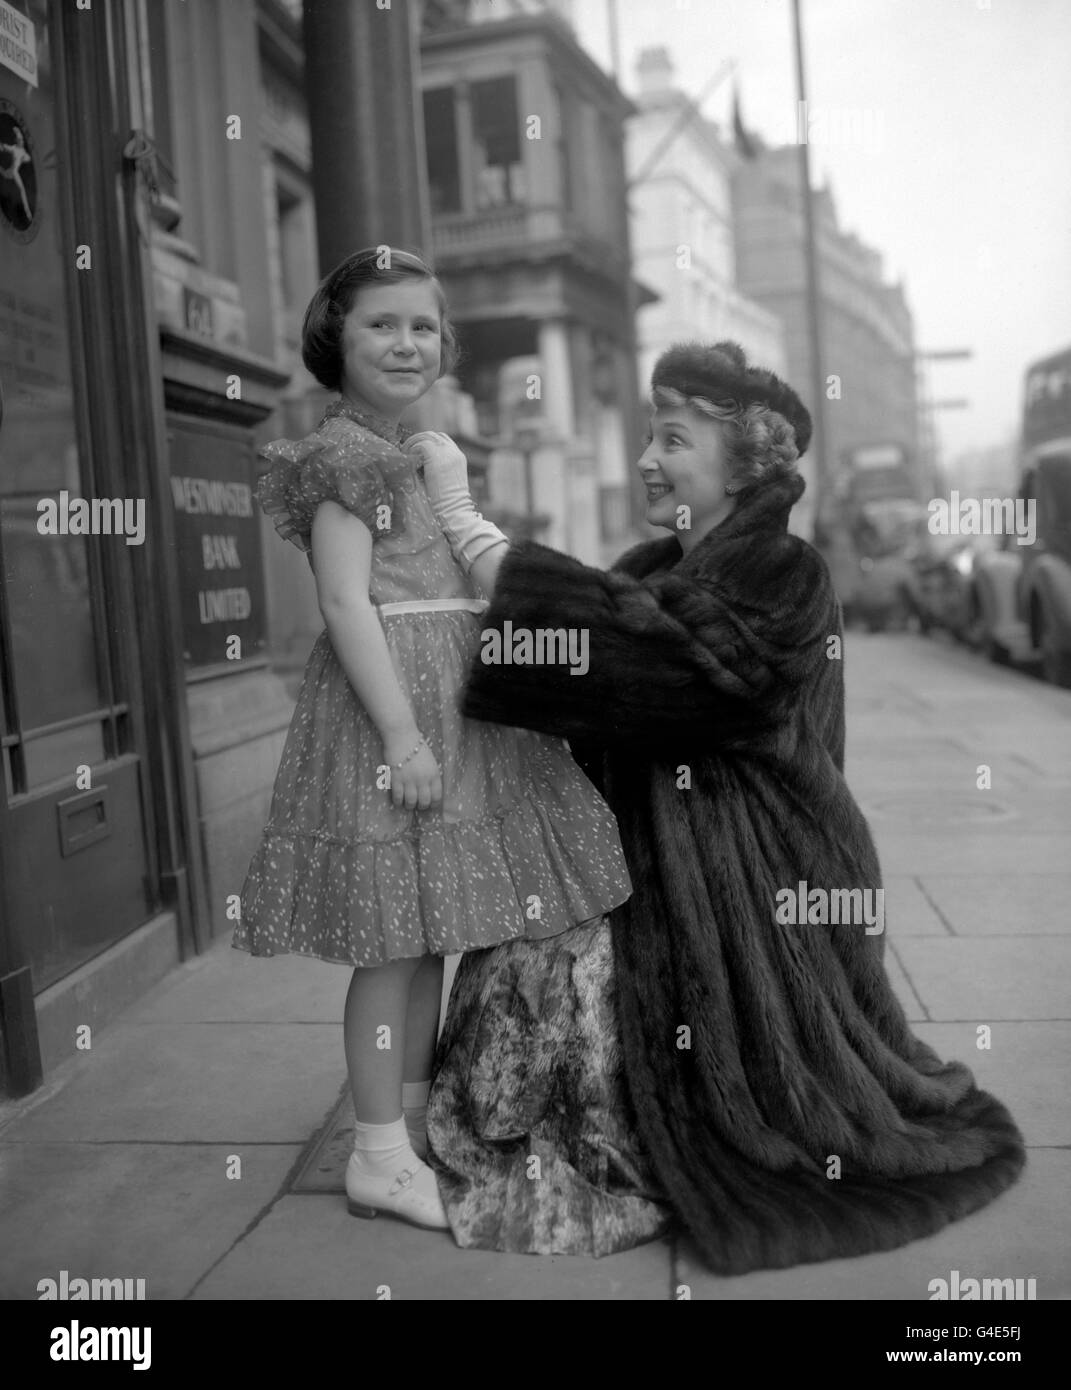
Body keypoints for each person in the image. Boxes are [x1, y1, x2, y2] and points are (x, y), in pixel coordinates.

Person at [410, 341, 1025, 1272]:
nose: (649, 459)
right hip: (650, 840)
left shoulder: (787, 571)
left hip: (757, 863)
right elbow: (604, 663)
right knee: (525, 983)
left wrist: (477, 536)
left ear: (742, 468)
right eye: (649, 436)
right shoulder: (654, 560)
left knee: (622, 1038)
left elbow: (673, 674)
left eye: (674, 439)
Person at [233, 247, 631, 1231]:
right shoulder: (343, 456)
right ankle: (377, 1146)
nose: (407, 341)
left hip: (452, 689)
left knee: (425, 937)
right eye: (382, 323)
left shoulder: (414, 450)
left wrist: (454, 496)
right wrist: (403, 735)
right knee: (392, 945)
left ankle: (402, 1133)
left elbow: (473, 566)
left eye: (423, 325)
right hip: (395, 703)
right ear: (337, 336)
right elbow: (342, 599)